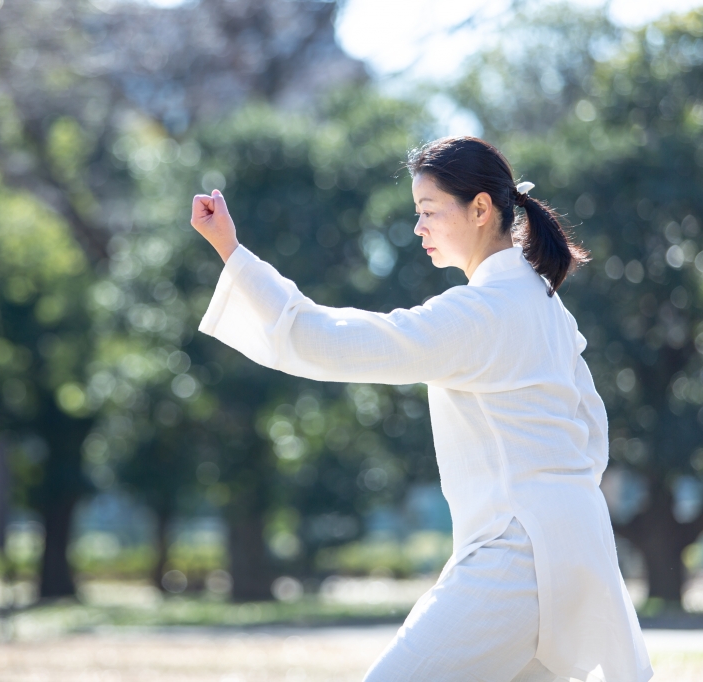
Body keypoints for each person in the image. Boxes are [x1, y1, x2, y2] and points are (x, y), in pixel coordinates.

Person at [189, 136, 653, 682]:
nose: (418, 228)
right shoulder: (546, 305)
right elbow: (590, 430)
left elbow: (329, 340)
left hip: (518, 555)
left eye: (429, 211)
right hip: (577, 548)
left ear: (481, 209)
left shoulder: (482, 311)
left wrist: (232, 254)